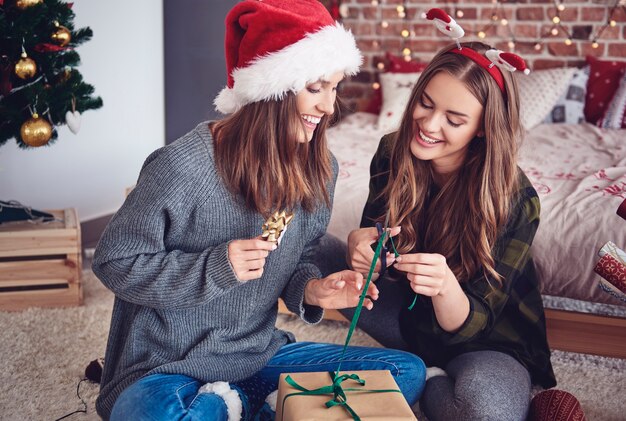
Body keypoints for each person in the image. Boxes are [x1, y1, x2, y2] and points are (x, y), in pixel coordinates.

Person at [92, 1, 425, 420]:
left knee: (404, 372)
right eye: (316, 87)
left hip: (256, 355)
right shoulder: (183, 166)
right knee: (150, 414)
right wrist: (214, 268)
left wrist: (312, 290)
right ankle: (262, 404)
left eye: (335, 87)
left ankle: (243, 400)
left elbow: (300, 257)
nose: (328, 107)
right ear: (273, 88)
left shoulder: (321, 169)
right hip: (169, 364)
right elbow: (114, 261)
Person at [343, 38, 557, 421]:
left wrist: (445, 287)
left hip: (488, 343)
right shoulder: (393, 152)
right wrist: (360, 250)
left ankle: (423, 378)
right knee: (304, 248)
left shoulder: (515, 199)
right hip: (408, 317)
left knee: (487, 413)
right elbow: (376, 245)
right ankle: (411, 365)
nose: (427, 125)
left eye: (454, 120)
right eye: (425, 103)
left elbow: (471, 324)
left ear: (481, 130)